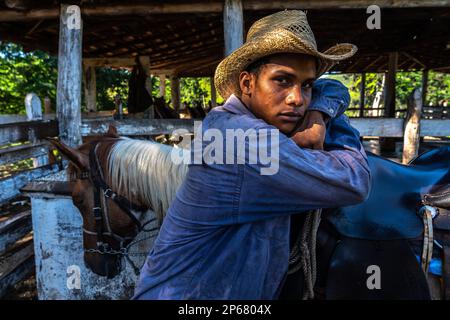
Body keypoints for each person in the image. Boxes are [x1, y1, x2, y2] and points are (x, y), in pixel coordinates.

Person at [133, 10, 370, 300]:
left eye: (306, 85)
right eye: (282, 80)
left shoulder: (231, 124)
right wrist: (337, 125)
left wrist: (319, 114)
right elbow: (354, 180)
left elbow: (332, 86)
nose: (297, 99)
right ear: (247, 84)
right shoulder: (242, 142)